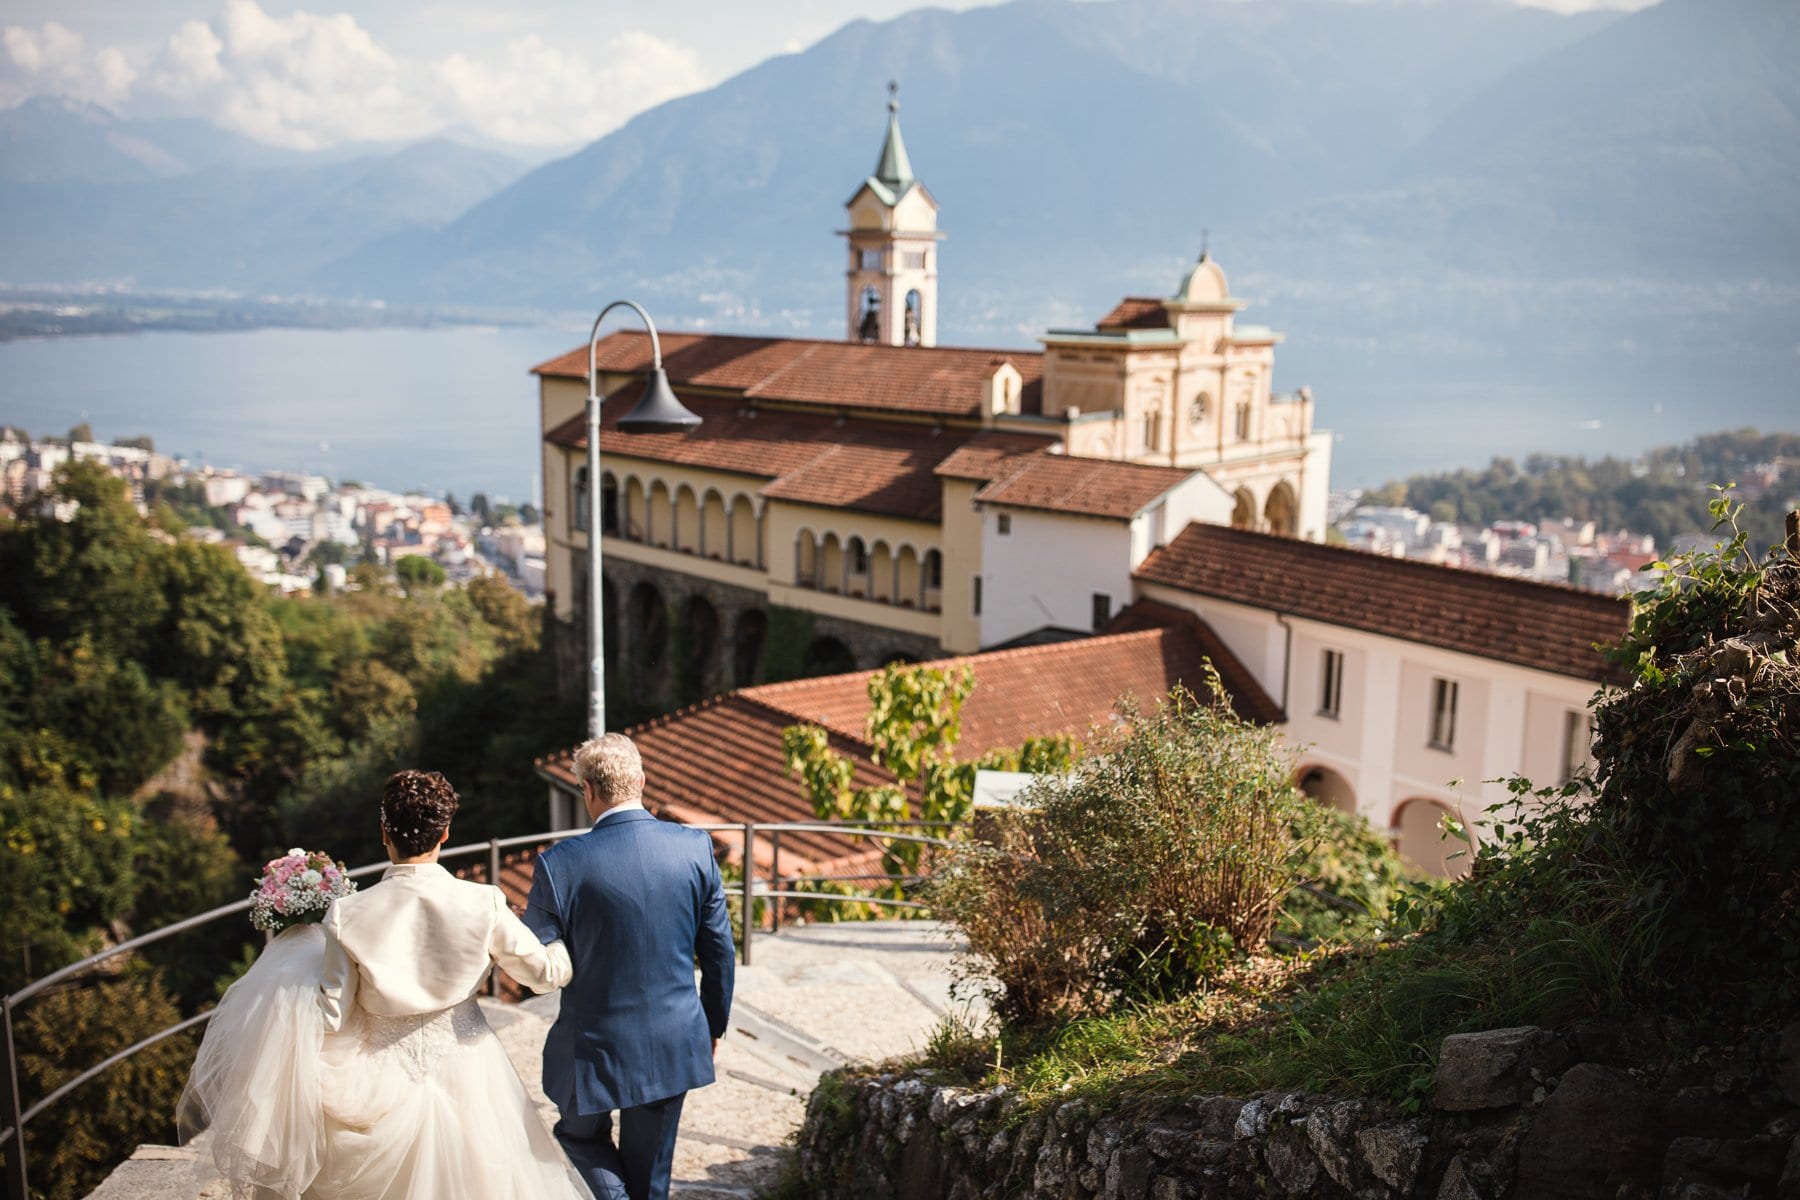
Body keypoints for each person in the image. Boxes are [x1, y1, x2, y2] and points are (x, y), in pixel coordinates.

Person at [179, 770, 589, 1200]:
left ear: (383, 833)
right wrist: (565, 938)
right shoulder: (483, 901)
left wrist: (293, 963)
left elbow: (331, 1019)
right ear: (446, 832)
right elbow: (544, 976)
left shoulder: (346, 913)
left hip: (377, 1079)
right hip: (472, 1068)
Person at [523, 733, 736, 1200]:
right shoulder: (695, 849)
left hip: (589, 1046)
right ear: (640, 780)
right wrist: (712, 1025)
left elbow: (536, 955)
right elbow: (720, 949)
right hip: (672, 1037)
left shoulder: (559, 865)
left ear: (588, 792)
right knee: (651, 1177)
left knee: (578, 1137)